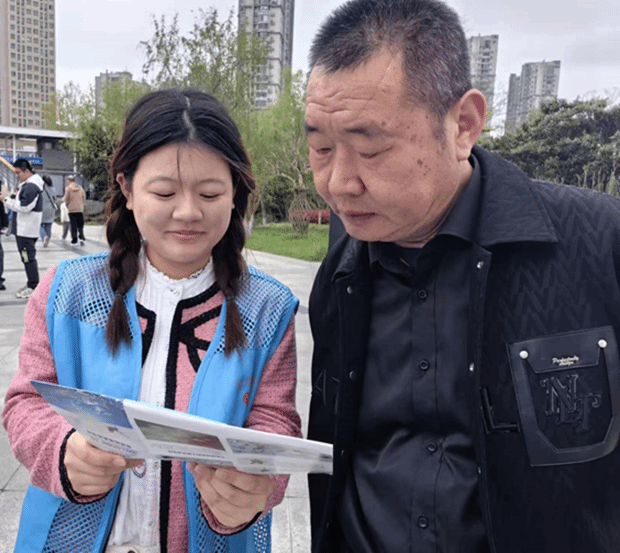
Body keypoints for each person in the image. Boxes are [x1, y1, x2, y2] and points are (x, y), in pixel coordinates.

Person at [305, 1, 620, 552]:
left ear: (463, 125)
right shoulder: (341, 275)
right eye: (321, 148)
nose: (338, 182)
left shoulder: (597, 242)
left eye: (370, 148)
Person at [3, 89, 302, 552]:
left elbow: (274, 419)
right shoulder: (68, 292)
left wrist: (253, 486)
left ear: (234, 192)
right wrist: (63, 452)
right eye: (164, 192)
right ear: (126, 187)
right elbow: (25, 402)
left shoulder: (267, 307)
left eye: (210, 193)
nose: (188, 212)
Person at [0, 158, 43, 299]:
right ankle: (31, 283)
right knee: (27, 258)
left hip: (26, 230)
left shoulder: (31, 187)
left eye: (18, 173)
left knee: (28, 258)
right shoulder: (28, 184)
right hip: (25, 229)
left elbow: (24, 207)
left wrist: (5, 200)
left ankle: (33, 286)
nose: (17, 176)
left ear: (27, 171)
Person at [63, 174, 86, 245]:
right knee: (80, 224)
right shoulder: (80, 188)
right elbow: (84, 197)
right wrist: (81, 205)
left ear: (69, 181)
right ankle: (81, 237)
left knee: (73, 225)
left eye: (68, 181)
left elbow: (66, 199)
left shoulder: (68, 189)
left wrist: (68, 205)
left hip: (72, 209)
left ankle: (74, 239)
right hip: (80, 209)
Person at [39, 174, 56, 247]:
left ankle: (44, 236)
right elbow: (55, 198)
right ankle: (47, 238)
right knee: (48, 225)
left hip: (42, 209)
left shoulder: (40, 188)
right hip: (51, 209)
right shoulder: (53, 188)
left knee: (39, 225)